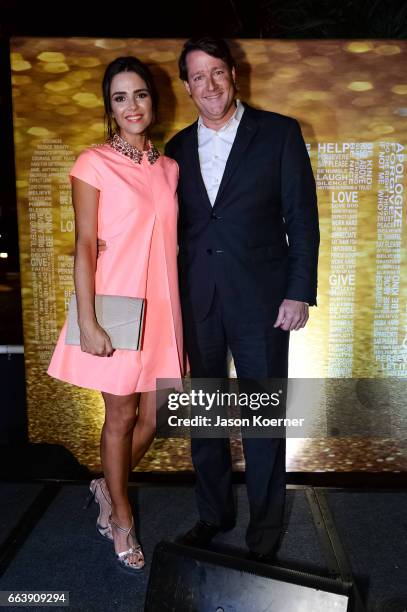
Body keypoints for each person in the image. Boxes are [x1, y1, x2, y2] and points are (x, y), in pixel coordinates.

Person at [164, 37, 319, 562]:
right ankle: (213, 516)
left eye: (217, 73)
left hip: (262, 303)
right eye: (197, 77)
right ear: (186, 85)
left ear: (234, 74)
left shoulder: (278, 133)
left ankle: (266, 535)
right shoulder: (176, 149)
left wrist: (299, 291)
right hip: (197, 302)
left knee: (261, 421)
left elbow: (301, 218)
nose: (209, 85)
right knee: (204, 418)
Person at [47, 56, 184, 572]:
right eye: (121, 97)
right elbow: (85, 244)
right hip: (116, 305)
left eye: (141, 94)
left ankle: (108, 483)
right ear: (110, 105)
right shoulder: (93, 162)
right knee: (121, 415)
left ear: (153, 100)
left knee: (156, 415)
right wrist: (87, 320)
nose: (132, 105)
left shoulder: (169, 168)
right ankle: (120, 516)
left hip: (165, 306)